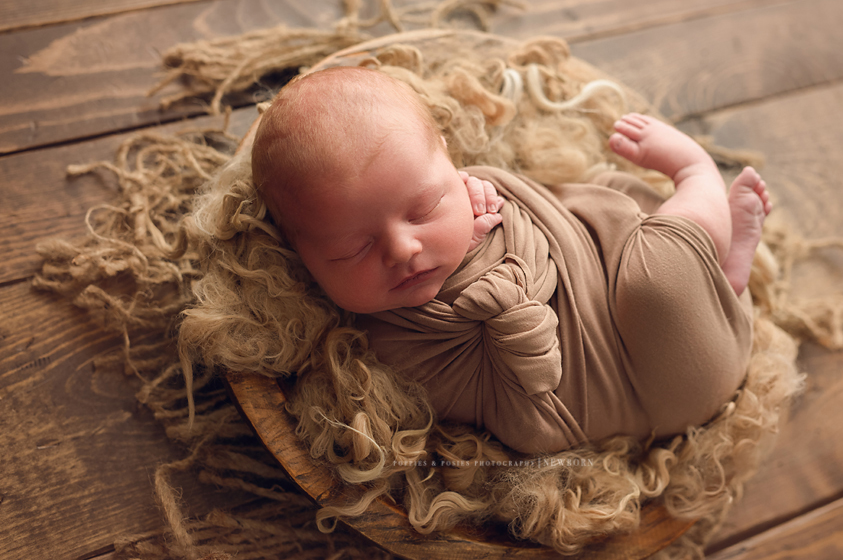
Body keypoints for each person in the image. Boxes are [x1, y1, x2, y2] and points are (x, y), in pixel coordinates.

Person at [251, 66, 772, 455]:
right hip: (649, 397)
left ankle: (697, 176)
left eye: (424, 208)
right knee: (661, 274)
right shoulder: (371, 348)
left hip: (669, 338)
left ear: (452, 164)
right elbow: (476, 386)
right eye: (354, 248)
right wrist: (471, 255)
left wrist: (475, 234)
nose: (403, 249)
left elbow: (552, 232)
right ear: (303, 260)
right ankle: (724, 274)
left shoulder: (477, 196)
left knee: (654, 279)